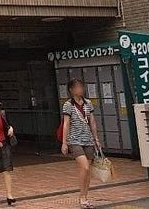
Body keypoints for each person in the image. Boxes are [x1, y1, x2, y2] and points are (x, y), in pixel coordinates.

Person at [61, 78, 101, 209]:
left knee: (87, 170)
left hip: (88, 139)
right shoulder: (68, 105)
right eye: (77, 87)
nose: (80, 89)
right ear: (71, 90)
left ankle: (84, 196)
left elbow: (92, 122)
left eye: (81, 87)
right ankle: (81, 197)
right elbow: (66, 124)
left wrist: (96, 139)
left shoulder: (88, 103)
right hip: (74, 140)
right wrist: (64, 142)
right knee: (85, 167)